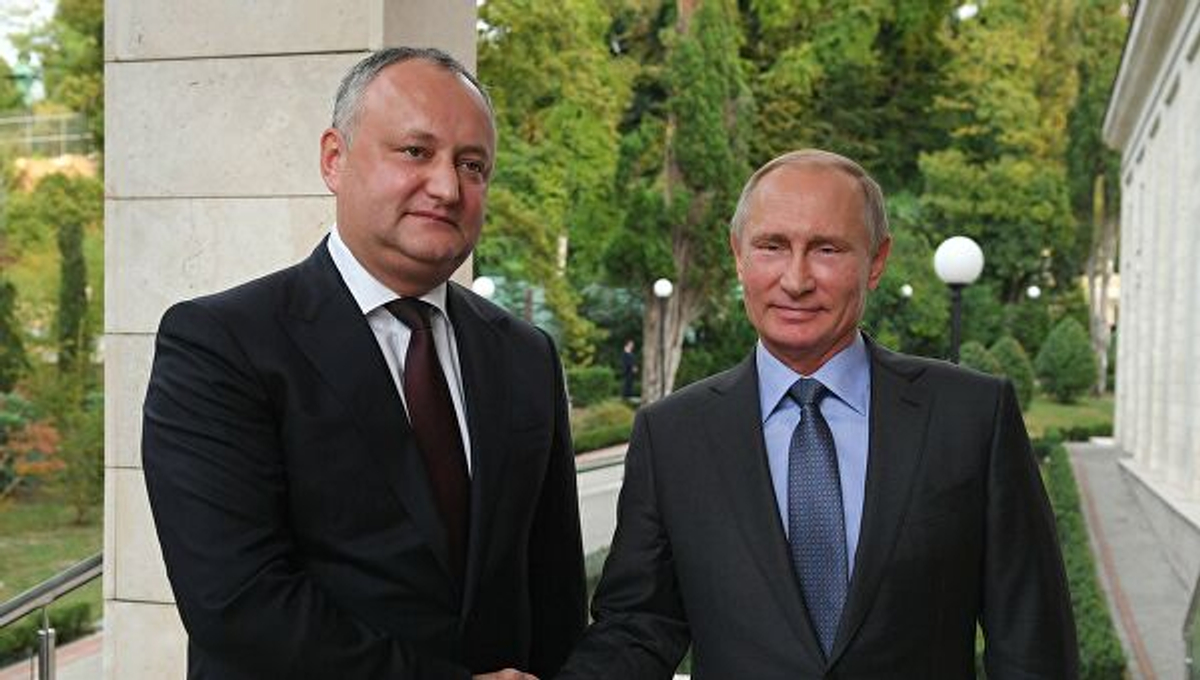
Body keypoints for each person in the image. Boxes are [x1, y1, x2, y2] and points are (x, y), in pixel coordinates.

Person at [142, 47, 586, 680]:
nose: (447, 188)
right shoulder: (221, 344)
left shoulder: (525, 354)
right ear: (335, 158)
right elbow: (238, 605)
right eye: (415, 152)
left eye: (472, 165)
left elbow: (555, 591)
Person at [556, 149, 1078, 679]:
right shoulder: (672, 436)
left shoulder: (972, 417)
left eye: (827, 249)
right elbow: (639, 628)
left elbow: (1032, 645)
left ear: (876, 261)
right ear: (738, 255)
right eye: (772, 246)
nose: (796, 279)